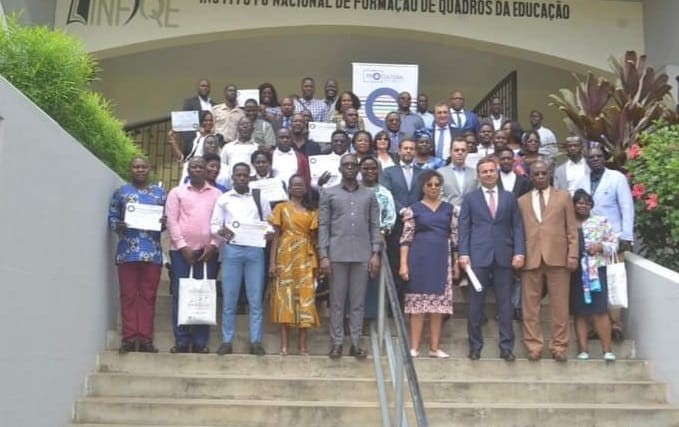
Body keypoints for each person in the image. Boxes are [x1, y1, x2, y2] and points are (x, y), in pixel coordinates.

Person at [458, 156, 526, 361]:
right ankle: (475, 346)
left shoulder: (509, 198)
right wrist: (463, 253)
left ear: (497, 173)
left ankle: (506, 347)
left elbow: (517, 226)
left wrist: (519, 251)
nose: (488, 174)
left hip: (504, 255)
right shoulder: (470, 198)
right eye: (484, 171)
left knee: (505, 304)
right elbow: (464, 228)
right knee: (475, 304)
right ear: (478, 176)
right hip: (477, 256)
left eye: (491, 171)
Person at [318, 154, 382, 360]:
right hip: (337, 254)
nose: (349, 168)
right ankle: (337, 343)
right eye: (346, 165)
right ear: (340, 168)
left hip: (362, 254)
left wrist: (375, 253)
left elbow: (375, 225)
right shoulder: (329, 193)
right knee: (337, 302)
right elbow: (324, 225)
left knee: (358, 302)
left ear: (358, 169)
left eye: (353, 165)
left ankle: (355, 343)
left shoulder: (369, 195)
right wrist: (323, 255)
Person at [518, 160, 578, 362]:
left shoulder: (563, 197)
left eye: (544, 173)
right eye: (536, 174)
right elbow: (519, 231)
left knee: (560, 306)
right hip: (531, 257)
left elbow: (572, 229)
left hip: (558, 257)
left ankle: (559, 346)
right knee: (530, 307)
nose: (540, 176)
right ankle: (533, 345)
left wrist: (572, 254)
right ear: (530, 176)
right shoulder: (522, 201)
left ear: (550, 174)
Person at [211, 163, 273, 356]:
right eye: (238, 175)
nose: (241, 178)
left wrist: (269, 232)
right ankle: (227, 341)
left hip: (255, 251)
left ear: (249, 177)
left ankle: (256, 341)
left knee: (255, 298)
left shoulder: (259, 196)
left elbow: (269, 222)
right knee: (230, 298)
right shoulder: (224, 199)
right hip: (232, 250)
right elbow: (214, 225)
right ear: (232, 177)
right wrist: (220, 231)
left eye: (245, 175)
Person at [574, 146, 634, 341]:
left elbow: (626, 206)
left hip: (612, 239)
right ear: (587, 160)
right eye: (591, 157)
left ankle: (615, 325)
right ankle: (594, 327)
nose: (595, 159)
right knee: (593, 283)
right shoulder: (581, 181)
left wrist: (626, 236)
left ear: (605, 158)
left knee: (613, 280)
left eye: (599, 156)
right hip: (588, 242)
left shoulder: (617, 178)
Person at [108, 157, 166, 353]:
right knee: (128, 296)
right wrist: (118, 225)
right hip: (127, 253)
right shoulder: (121, 192)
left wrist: (164, 222)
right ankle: (129, 338)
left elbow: (167, 220)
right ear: (130, 169)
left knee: (148, 297)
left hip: (152, 253)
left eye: (143, 167)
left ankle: (146, 339)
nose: (140, 170)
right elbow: (112, 217)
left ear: (149, 169)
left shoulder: (160, 194)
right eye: (136, 167)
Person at [399, 170, 458, 358]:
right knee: (417, 306)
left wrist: (456, 263)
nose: (433, 188)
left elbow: (455, 238)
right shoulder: (413, 209)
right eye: (429, 184)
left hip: (441, 259)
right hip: (418, 259)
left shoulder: (450, 209)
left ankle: (434, 348)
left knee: (437, 308)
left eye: (437, 185)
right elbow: (406, 239)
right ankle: (414, 347)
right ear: (423, 187)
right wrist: (403, 264)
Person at [165, 157, 221, 354]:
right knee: (181, 295)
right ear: (188, 170)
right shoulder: (176, 192)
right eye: (193, 167)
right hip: (181, 252)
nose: (197, 169)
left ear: (207, 171)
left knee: (203, 295)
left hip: (208, 253)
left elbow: (221, 222)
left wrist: (214, 245)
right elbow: (171, 221)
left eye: (201, 167)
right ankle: (181, 340)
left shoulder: (217, 194)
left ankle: (200, 341)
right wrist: (182, 246)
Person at [268, 175, 320, 356]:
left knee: (305, 299)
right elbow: (275, 237)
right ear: (289, 188)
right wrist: (272, 263)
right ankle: (284, 346)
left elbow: (315, 239)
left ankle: (303, 346)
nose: (298, 187)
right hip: (285, 256)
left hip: (305, 256)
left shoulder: (312, 211)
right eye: (295, 185)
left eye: (301, 185)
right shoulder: (281, 208)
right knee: (285, 298)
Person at [570, 189, 618, 361]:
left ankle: (607, 350)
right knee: (580, 311)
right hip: (575, 271)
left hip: (596, 270)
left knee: (600, 310)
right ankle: (583, 350)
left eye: (586, 203)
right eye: (579, 202)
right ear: (573, 205)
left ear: (591, 205)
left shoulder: (601, 221)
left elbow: (614, 244)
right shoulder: (568, 223)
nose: (583, 206)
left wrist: (600, 247)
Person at [382, 139, 424, 306]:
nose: (408, 151)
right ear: (399, 151)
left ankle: (412, 304)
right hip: (396, 225)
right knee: (395, 264)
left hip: (417, 224)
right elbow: (387, 194)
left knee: (414, 265)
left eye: (411, 148)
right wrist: (402, 210)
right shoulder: (389, 172)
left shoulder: (423, 173)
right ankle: (394, 307)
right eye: (405, 148)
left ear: (415, 152)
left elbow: (424, 196)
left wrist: (414, 212)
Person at [496, 146, 532, 320]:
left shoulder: (524, 182)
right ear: (498, 161)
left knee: (518, 272)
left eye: (508, 158)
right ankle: (504, 308)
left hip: (519, 228)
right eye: (502, 158)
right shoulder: (493, 180)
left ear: (514, 160)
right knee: (502, 272)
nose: (505, 161)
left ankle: (517, 306)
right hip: (498, 231)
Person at [360, 156, 396, 321]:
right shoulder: (353, 190)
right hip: (353, 242)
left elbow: (390, 219)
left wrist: (379, 235)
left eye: (373, 168)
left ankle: (372, 319)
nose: (370, 171)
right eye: (365, 168)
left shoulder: (384, 193)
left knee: (374, 281)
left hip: (376, 242)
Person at [438, 137, 479, 212]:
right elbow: (439, 195)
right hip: (448, 213)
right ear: (450, 152)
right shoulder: (440, 173)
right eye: (456, 150)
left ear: (467, 153)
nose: (460, 153)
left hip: (471, 213)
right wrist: (453, 208)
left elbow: (479, 194)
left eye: (463, 150)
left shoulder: (475, 173)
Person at [178, 78, 214, 155]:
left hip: (210, 141)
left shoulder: (214, 105)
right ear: (198, 88)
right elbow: (184, 121)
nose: (205, 88)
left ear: (210, 89)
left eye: (207, 86)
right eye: (202, 86)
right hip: (194, 140)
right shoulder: (190, 102)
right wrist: (198, 128)